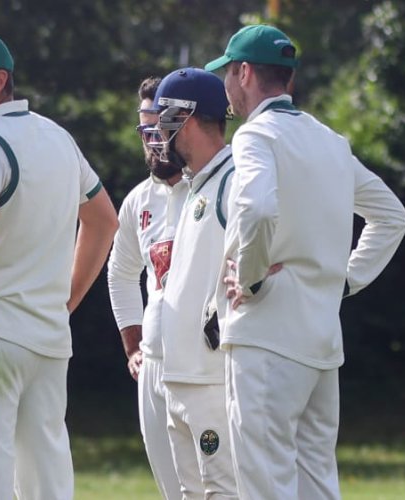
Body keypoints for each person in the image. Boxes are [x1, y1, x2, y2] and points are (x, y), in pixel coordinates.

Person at [207, 25, 405, 499]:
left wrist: (252, 282)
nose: (226, 90)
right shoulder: (331, 142)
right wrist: (344, 280)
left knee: (265, 483)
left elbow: (256, 209)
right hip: (321, 340)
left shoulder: (255, 134)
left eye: (227, 76)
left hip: (268, 335)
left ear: (244, 72)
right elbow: (392, 216)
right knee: (317, 482)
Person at [0, 30, 118, 499]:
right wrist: (65, 299)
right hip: (48, 339)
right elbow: (104, 222)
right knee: (45, 483)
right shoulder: (57, 136)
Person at [144, 67, 238, 499]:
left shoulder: (233, 179)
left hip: (211, 379)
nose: (158, 133)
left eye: (165, 120)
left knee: (223, 491)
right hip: (177, 377)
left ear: (188, 118)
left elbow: (272, 242)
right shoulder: (197, 184)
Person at [105, 75, 185, 500]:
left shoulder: (213, 185)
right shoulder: (138, 200)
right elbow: (120, 273)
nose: (152, 140)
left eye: (160, 127)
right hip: (153, 365)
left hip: (208, 365)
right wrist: (133, 346)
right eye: (144, 129)